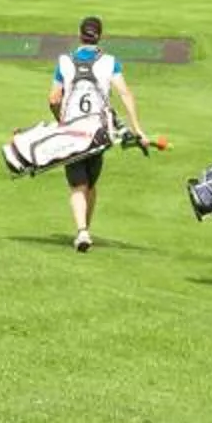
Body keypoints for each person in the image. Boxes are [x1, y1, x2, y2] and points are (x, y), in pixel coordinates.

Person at [50, 16, 147, 252]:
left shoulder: (64, 62)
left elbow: (53, 99)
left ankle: (82, 231)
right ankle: (84, 230)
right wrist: (137, 128)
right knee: (90, 184)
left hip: (73, 131)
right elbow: (125, 93)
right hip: (99, 132)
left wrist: (60, 120)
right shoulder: (110, 62)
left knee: (78, 185)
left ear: (80, 35)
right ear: (100, 36)